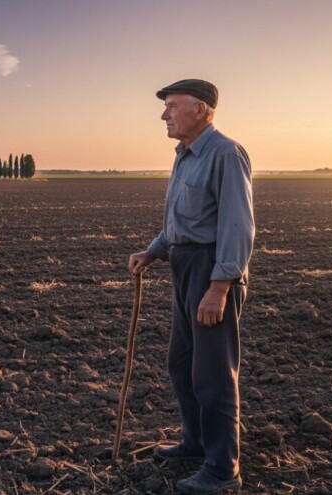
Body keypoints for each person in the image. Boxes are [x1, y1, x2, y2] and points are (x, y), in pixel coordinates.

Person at [128, 79, 254, 494]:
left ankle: (222, 469)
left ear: (200, 109)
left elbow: (237, 225)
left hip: (210, 271)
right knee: (181, 364)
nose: (164, 115)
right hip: (184, 269)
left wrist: (219, 288)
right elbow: (180, 221)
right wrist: (152, 251)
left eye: (172, 106)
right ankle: (196, 442)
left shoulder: (225, 154)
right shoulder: (184, 156)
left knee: (212, 375)